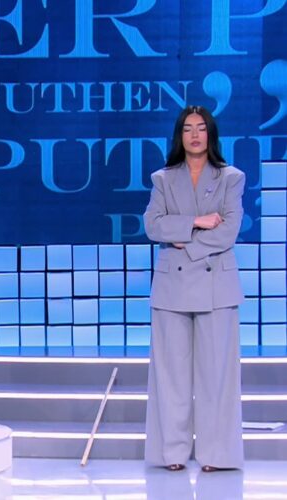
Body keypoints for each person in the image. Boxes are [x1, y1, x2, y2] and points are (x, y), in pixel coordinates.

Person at [143, 105, 245, 472]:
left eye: (201, 128)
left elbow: (229, 230)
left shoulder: (232, 177)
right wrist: (197, 222)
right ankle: (171, 454)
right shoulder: (163, 179)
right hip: (172, 287)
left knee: (217, 375)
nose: (195, 135)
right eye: (188, 129)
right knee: (170, 375)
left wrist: (186, 242)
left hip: (217, 285)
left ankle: (217, 455)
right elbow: (153, 225)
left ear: (210, 134)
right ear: (180, 136)